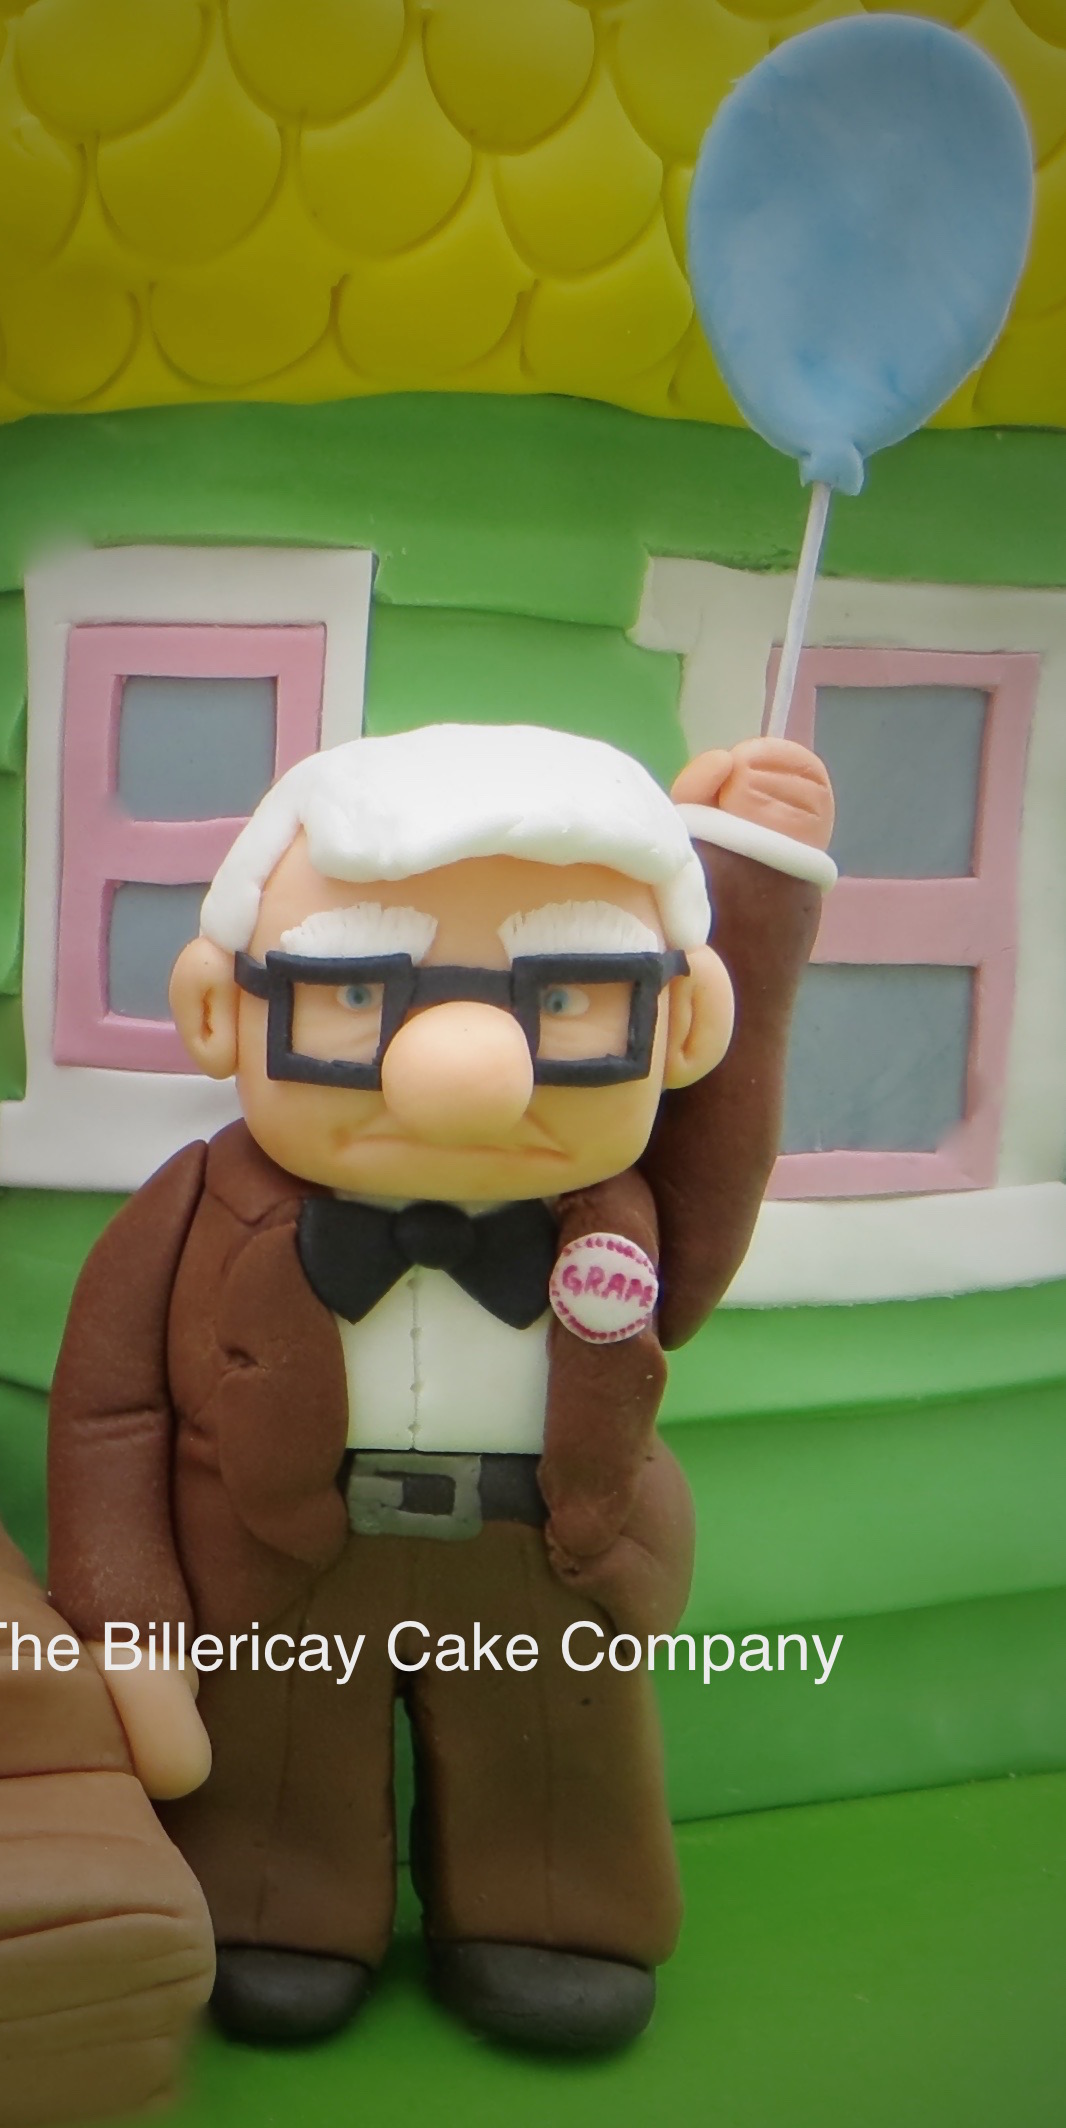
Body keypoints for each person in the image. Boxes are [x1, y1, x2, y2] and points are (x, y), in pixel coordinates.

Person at [47, 721, 834, 2052]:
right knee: (273, 1750)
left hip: (543, 1554)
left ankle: (551, 1920)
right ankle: (277, 1911)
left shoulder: (623, 1217)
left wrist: (747, 878)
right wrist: (131, 1621)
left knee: (558, 1747)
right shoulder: (191, 1215)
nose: (466, 1074)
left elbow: (722, 1134)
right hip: (280, 1561)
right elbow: (110, 1416)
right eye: (355, 995)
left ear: (682, 1022)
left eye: (570, 1002)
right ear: (219, 1009)